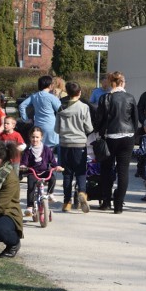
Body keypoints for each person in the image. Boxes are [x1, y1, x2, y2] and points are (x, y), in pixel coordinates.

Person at [94, 71, 138, 213]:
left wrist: (97, 133)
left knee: (106, 170)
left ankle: (106, 202)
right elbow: (135, 120)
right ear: (122, 83)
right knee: (123, 171)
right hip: (127, 136)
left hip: (110, 136)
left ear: (111, 82)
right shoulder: (130, 97)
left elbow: (99, 119)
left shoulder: (104, 98)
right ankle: (119, 205)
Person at [55, 82, 94, 213]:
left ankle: (66, 202)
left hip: (65, 144)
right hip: (79, 144)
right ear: (79, 93)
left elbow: (57, 129)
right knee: (81, 171)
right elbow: (89, 127)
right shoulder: (83, 107)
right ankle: (82, 192)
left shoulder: (61, 108)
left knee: (67, 174)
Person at [20, 127, 61, 216]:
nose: (35, 139)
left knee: (52, 178)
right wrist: (23, 166)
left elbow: (52, 161)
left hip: (44, 172)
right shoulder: (28, 150)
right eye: (33, 137)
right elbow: (24, 162)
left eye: (37, 137)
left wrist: (56, 166)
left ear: (41, 137)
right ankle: (29, 207)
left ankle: (50, 194)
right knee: (31, 187)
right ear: (30, 138)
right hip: (33, 172)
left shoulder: (46, 149)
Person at [19, 75, 61, 149]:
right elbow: (60, 110)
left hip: (38, 125)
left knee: (39, 148)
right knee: (53, 148)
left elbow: (22, 105)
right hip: (51, 125)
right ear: (50, 85)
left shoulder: (34, 96)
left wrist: (25, 119)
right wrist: (57, 98)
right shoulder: (51, 97)